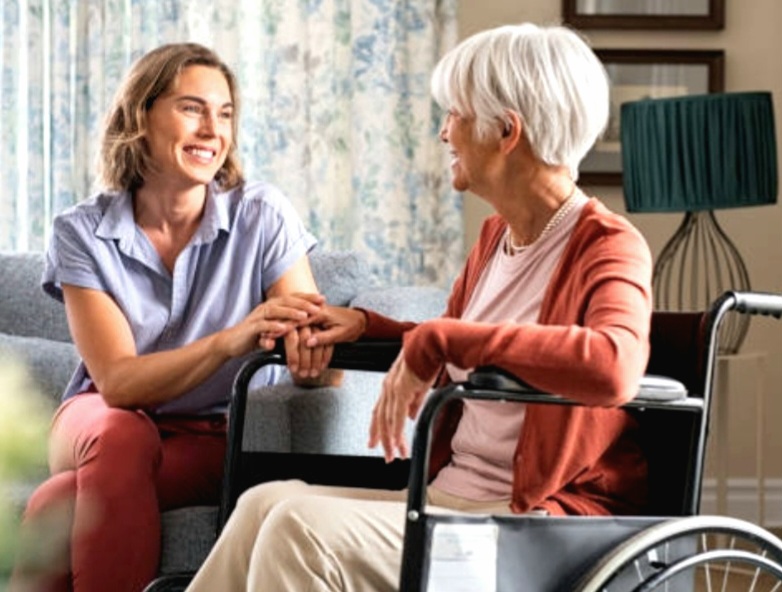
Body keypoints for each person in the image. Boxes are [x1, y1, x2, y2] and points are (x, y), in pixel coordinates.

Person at [184, 22, 654, 591]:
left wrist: (441, 338)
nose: (443, 131)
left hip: (531, 524)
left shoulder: (607, 245)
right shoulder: (494, 241)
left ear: (507, 131)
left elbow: (614, 366)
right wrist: (365, 326)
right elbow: (469, 345)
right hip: (454, 497)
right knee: (264, 503)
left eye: (455, 115)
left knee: (299, 529)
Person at [10, 42, 335, 592]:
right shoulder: (81, 232)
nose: (213, 129)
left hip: (211, 434)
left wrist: (310, 358)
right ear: (141, 116)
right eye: (192, 108)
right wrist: (228, 342)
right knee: (120, 433)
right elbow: (117, 383)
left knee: (55, 502)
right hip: (96, 421)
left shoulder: (262, 215)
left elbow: (319, 356)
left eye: (225, 113)